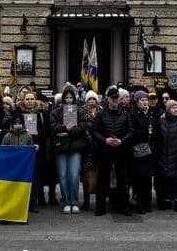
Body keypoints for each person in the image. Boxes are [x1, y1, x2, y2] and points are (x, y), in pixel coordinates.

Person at [92, 85, 135, 217]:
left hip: (121, 151)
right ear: (108, 99)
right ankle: (100, 207)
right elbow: (94, 131)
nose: (115, 100)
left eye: (117, 97)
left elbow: (131, 131)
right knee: (102, 179)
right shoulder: (100, 114)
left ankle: (123, 206)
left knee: (122, 179)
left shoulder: (125, 114)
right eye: (113, 98)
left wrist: (122, 140)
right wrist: (105, 140)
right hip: (105, 151)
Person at [51, 85, 88, 214]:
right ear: (63, 99)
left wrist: (68, 132)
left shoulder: (80, 111)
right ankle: (66, 201)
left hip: (75, 147)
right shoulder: (56, 112)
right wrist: (64, 127)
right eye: (66, 98)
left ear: (74, 98)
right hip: (61, 147)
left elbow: (82, 126)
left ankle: (74, 201)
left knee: (74, 175)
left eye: (70, 97)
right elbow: (53, 127)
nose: (68, 100)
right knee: (62, 175)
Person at [153, 99, 177, 212]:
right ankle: (167, 199)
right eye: (173, 108)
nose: (176, 109)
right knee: (166, 178)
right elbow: (157, 138)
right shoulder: (162, 121)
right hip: (163, 155)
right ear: (168, 109)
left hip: (176, 155)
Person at [16, 90, 47, 212]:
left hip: (38, 148)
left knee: (36, 177)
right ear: (23, 101)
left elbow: (47, 130)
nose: (29, 101)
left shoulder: (41, 113)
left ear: (35, 100)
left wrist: (38, 135)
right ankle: (23, 202)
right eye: (27, 99)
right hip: (23, 149)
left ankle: (33, 203)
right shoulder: (18, 113)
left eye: (31, 99)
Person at [128, 91, 155, 214]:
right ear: (137, 102)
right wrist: (144, 131)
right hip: (138, 149)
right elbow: (132, 131)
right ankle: (140, 204)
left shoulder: (150, 113)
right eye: (142, 100)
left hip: (149, 150)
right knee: (139, 178)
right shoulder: (133, 114)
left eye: (146, 100)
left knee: (148, 178)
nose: (145, 102)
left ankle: (147, 203)